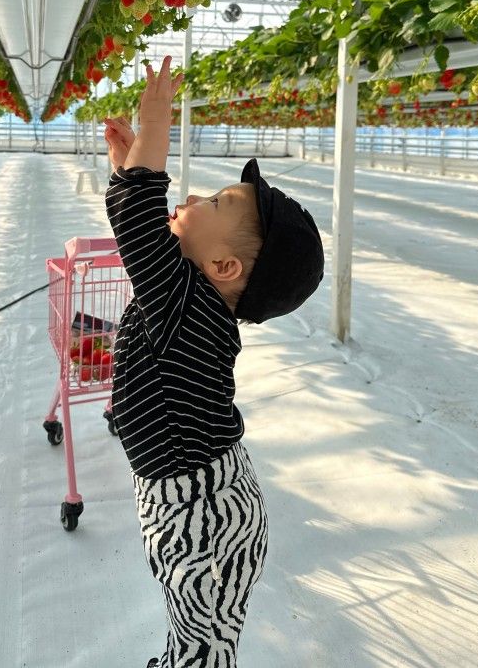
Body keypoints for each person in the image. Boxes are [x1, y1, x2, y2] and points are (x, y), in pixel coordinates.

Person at [103, 56, 325, 668]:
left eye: (217, 200)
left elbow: (136, 222)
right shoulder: (190, 300)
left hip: (204, 511)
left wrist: (153, 133)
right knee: (201, 632)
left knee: (204, 642)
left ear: (225, 268)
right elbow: (140, 226)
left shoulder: (192, 308)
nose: (194, 194)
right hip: (202, 498)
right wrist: (130, 163)